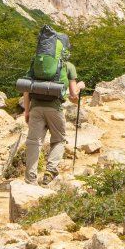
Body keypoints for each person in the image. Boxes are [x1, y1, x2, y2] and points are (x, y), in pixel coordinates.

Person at [23, 54, 84, 185]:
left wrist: (27, 111)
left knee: (34, 142)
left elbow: (26, 90)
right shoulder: (68, 66)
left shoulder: (36, 64)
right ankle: (50, 172)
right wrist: (80, 86)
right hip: (55, 109)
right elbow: (74, 96)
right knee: (59, 139)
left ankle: (30, 179)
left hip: (35, 108)